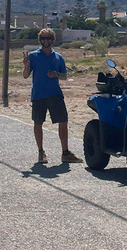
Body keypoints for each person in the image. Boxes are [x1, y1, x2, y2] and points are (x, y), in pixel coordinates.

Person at [22, 28, 83, 164]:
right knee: (38, 123)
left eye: (48, 38)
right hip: (38, 95)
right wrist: (26, 66)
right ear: (40, 40)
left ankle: (65, 152)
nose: (46, 40)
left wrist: (57, 74)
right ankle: (40, 152)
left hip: (55, 94)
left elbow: (65, 76)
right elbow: (26, 76)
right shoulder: (33, 56)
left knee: (63, 121)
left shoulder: (58, 57)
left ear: (52, 39)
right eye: (43, 38)